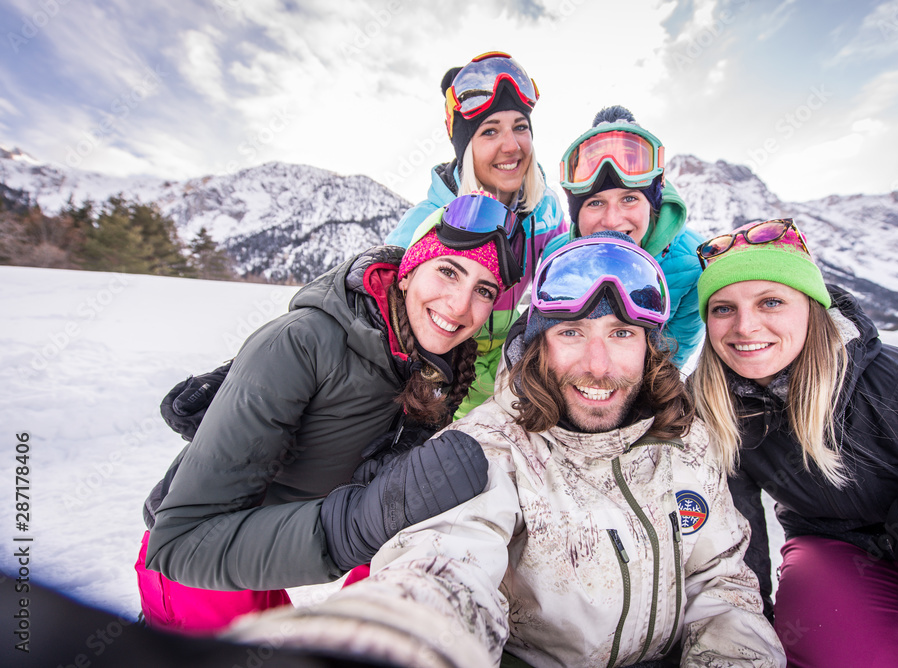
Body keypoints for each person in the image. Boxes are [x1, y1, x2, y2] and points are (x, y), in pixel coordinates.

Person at [228, 232, 786, 668]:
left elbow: (720, 579)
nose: (597, 364)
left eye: (621, 334)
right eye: (570, 332)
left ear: (651, 348)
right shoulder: (489, 447)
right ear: (537, 346)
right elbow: (443, 573)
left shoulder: (685, 442)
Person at [137, 193, 518, 635]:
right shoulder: (303, 342)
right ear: (409, 271)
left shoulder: (439, 368)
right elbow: (181, 543)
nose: (458, 305)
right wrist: (357, 522)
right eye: (448, 271)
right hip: (199, 571)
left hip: (288, 546)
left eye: (483, 290)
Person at [688, 218, 898, 666]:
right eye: (723, 309)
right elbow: (739, 538)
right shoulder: (720, 412)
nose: (745, 326)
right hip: (840, 548)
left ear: (813, 307)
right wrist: (751, 629)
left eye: (770, 301)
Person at [384, 51, 566, 417]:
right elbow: (377, 320)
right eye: (490, 131)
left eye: (520, 126)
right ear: (466, 148)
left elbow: (567, 283)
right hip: (430, 393)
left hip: (500, 389)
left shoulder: (543, 212)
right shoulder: (429, 222)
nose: (511, 146)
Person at [542, 105, 704, 368]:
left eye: (629, 199)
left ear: (652, 205)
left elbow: (668, 366)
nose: (612, 220)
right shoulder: (555, 257)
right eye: (595, 202)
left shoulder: (691, 263)